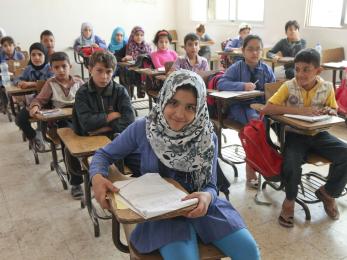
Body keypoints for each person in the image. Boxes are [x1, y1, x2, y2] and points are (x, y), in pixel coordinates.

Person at [89, 70, 260, 260]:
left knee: (249, 252)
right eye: (173, 103)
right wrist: (97, 177)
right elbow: (103, 155)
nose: (179, 114)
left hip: (204, 209)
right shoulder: (144, 128)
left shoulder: (207, 137)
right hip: (162, 214)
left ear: (201, 108)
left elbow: (211, 186)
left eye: (190, 107)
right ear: (163, 98)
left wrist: (207, 197)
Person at [262, 48, 347, 228]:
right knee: (291, 161)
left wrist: (330, 111)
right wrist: (300, 111)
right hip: (294, 135)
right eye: (297, 69)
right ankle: (290, 200)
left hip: (318, 134)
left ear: (318, 71)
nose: (300, 74)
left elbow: (333, 109)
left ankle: (328, 193)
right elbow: (267, 109)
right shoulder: (289, 86)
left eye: (306, 69)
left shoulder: (327, 88)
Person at [16, 51, 84, 197]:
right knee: (69, 144)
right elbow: (39, 100)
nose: (60, 70)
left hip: (81, 119)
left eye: (64, 66)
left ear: (70, 66)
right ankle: (76, 183)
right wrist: (34, 107)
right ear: (51, 69)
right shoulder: (50, 83)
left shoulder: (79, 82)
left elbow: (90, 99)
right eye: (56, 67)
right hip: (61, 121)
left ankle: (97, 173)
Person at [218, 35, 275, 188]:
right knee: (255, 126)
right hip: (239, 106)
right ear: (243, 51)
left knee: (276, 125)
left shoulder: (266, 69)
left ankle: (272, 163)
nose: (254, 53)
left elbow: (274, 89)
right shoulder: (237, 67)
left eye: (258, 49)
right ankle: (251, 167)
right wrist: (242, 86)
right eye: (250, 49)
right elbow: (221, 82)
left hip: (260, 107)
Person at [72, 50, 140, 176]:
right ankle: (77, 183)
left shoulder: (120, 91)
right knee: (97, 171)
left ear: (113, 71)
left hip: (117, 137)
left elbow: (129, 121)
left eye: (109, 71)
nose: (104, 76)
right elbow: (86, 124)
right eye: (99, 71)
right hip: (89, 140)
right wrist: (111, 116)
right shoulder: (82, 93)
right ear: (90, 69)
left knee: (141, 164)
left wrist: (103, 127)